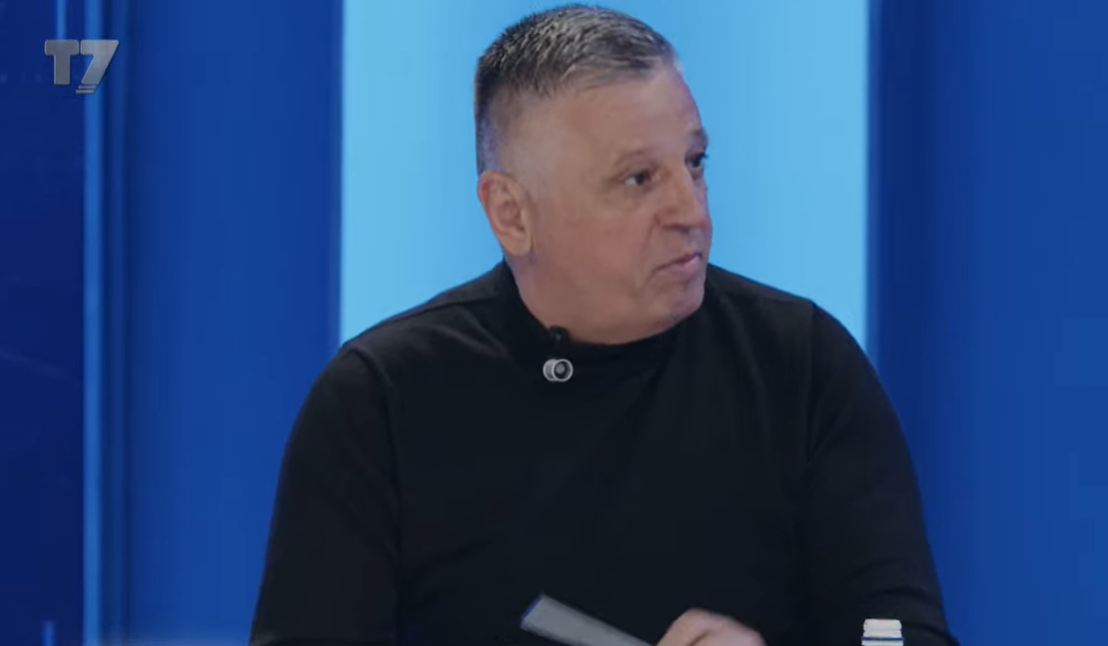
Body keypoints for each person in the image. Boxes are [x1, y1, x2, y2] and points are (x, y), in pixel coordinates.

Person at [249, 5, 957, 646]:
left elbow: (899, 633)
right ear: (511, 214)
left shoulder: (800, 365)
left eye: (695, 163)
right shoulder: (383, 402)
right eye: (637, 179)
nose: (693, 212)